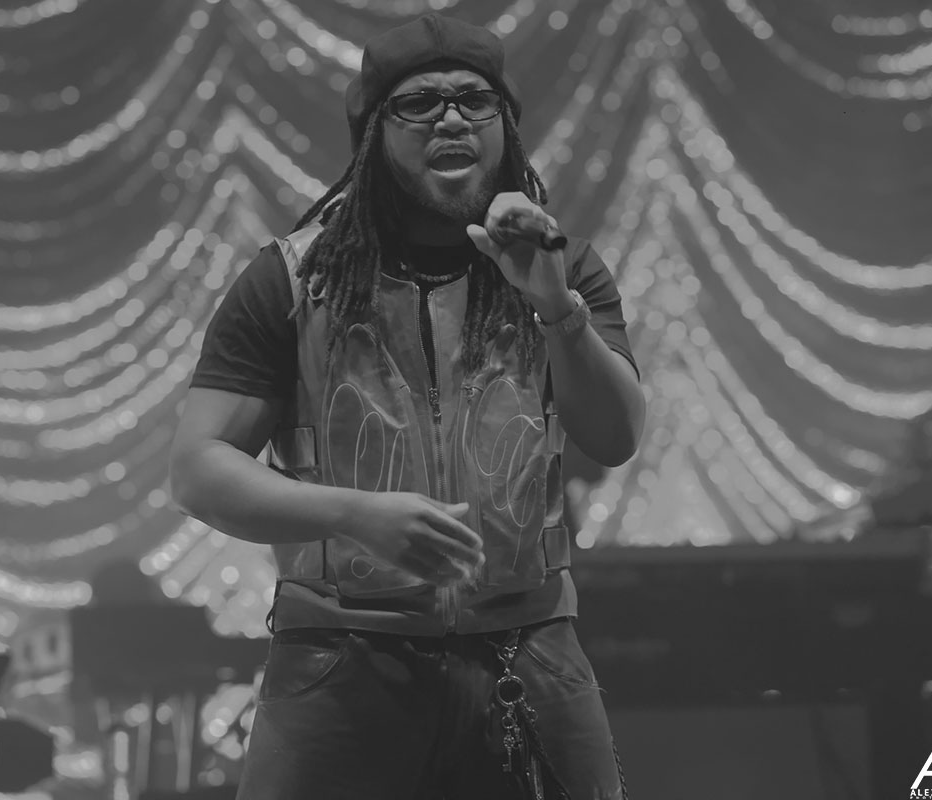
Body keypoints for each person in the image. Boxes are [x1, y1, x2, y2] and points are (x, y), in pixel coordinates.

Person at [170, 13, 644, 800]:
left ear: (506, 127)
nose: (452, 119)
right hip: (339, 660)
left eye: (474, 100)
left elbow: (617, 435)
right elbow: (197, 470)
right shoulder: (291, 280)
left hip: (529, 650)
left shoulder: (562, 267)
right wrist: (355, 514)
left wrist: (556, 308)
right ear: (373, 133)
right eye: (419, 103)